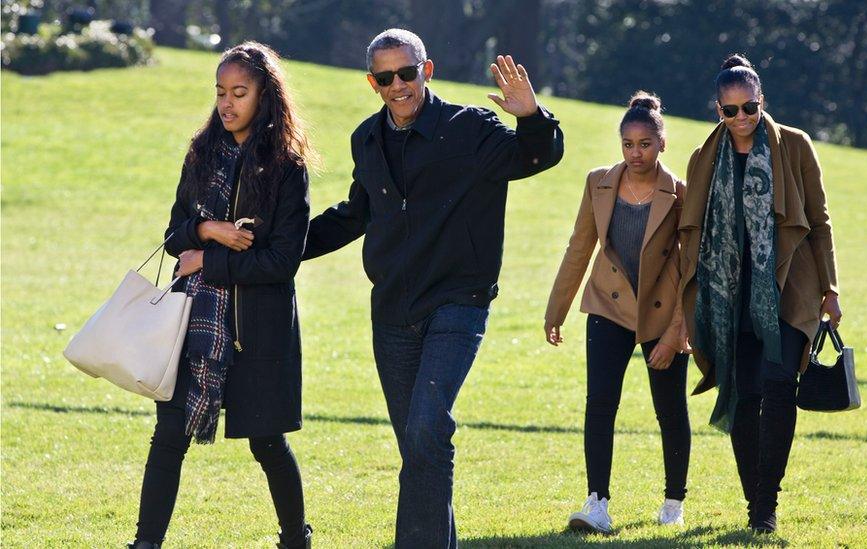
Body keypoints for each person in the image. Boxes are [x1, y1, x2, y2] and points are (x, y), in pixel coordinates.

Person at [301, 28, 563, 549]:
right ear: (372, 83)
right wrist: (280, 246)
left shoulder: (471, 128)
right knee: (419, 448)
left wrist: (532, 117)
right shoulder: (367, 139)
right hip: (393, 310)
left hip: (457, 302)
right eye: (385, 77)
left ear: (428, 69)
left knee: (426, 429)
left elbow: (536, 157)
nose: (398, 84)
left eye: (407, 72)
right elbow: (357, 214)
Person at [128, 42, 314, 549]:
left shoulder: (286, 169)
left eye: (239, 92)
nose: (227, 104)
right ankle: (145, 543)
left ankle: (296, 538)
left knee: (267, 442)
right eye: (220, 93)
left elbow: (280, 262)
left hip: (258, 330)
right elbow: (173, 236)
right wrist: (208, 229)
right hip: (192, 323)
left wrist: (209, 260)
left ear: (265, 96)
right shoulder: (202, 152)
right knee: (168, 439)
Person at [678, 54, 842, 533]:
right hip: (730, 295)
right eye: (730, 111)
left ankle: (765, 507)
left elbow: (819, 221)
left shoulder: (795, 145)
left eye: (749, 107)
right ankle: (756, 501)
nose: (741, 119)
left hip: (789, 287)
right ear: (718, 111)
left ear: (761, 100)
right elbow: (692, 232)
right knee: (744, 398)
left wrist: (830, 289)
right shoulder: (704, 157)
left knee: (778, 389)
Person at [544, 92, 691, 533]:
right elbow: (579, 247)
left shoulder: (682, 194)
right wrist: (557, 309)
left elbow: (691, 270)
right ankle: (597, 502)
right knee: (600, 403)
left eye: (645, 143)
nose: (635, 152)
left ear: (662, 143)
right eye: (628, 144)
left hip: (662, 314)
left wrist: (676, 334)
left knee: (669, 409)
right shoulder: (598, 182)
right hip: (607, 305)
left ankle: (673, 503)